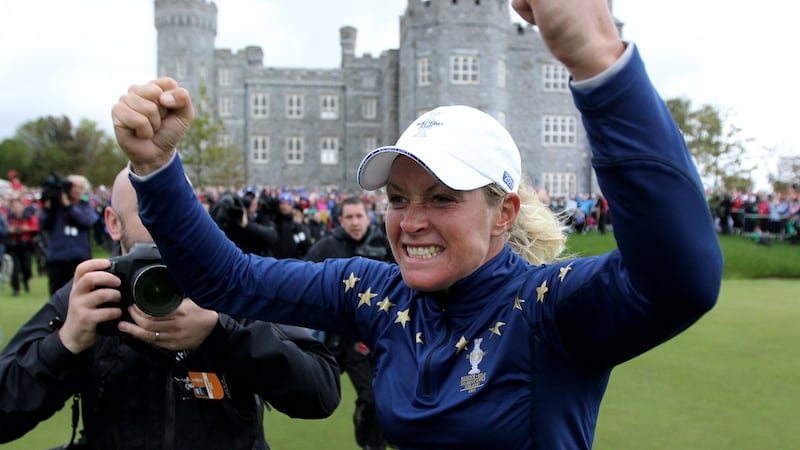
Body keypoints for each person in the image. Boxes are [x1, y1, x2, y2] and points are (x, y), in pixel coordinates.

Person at [110, 0, 723, 447]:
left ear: (504, 211)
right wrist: (158, 166)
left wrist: (598, 63)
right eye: (399, 198)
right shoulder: (374, 293)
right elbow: (227, 281)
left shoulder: (548, 308)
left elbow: (679, 279)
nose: (412, 221)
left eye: (442, 198)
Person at [0, 168, 341, 449]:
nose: (166, 227)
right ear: (113, 222)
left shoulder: (233, 286)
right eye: (149, 212)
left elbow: (321, 392)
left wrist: (221, 334)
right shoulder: (91, 294)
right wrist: (66, 343)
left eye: (178, 213)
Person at [305, 196, 393, 450]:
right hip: (328, 336)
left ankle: (371, 443)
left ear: (369, 217)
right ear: (340, 220)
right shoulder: (326, 248)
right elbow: (303, 282)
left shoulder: (385, 245)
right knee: (309, 392)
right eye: (349, 217)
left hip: (364, 340)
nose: (355, 222)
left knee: (374, 396)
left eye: (359, 216)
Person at [39, 174, 98, 296]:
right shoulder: (55, 208)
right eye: (74, 187)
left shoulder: (84, 206)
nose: (77, 190)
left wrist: (69, 207)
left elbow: (87, 221)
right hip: (57, 257)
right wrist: (48, 207)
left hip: (79, 257)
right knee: (57, 294)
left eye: (80, 188)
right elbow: (43, 223)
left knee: (82, 293)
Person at [6, 197, 40, 296]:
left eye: (18, 206)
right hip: (13, 245)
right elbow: (4, 229)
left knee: (27, 268)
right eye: (14, 207)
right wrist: (10, 230)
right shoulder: (9, 218)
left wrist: (27, 228)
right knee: (15, 268)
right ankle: (16, 288)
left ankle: (26, 280)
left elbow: (36, 228)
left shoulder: (28, 217)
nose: (17, 209)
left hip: (25, 245)